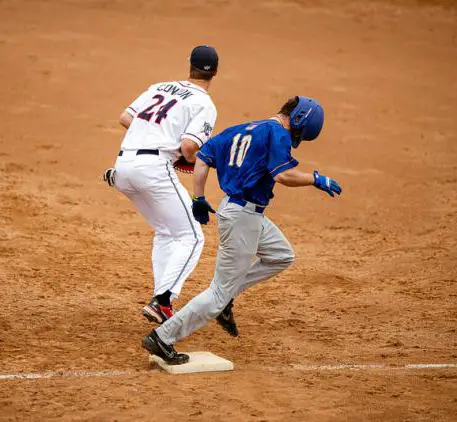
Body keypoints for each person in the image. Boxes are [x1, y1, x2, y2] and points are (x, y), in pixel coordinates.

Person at [141, 96, 343, 364]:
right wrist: (316, 179)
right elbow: (282, 175)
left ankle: (228, 295)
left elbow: (202, 157)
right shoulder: (278, 134)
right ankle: (163, 337)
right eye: (301, 133)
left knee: (281, 255)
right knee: (216, 295)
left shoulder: (241, 129)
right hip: (242, 218)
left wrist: (198, 197)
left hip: (245, 213)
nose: (298, 138)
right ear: (297, 120)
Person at [102, 46, 219, 324]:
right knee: (192, 236)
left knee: (167, 232)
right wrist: (184, 156)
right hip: (153, 170)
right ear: (215, 72)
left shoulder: (160, 86)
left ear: (189, 64)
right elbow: (189, 147)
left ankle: (160, 300)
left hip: (123, 166)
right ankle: (164, 301)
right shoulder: (204, 103)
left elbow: (125, 118)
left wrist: (152, 136)